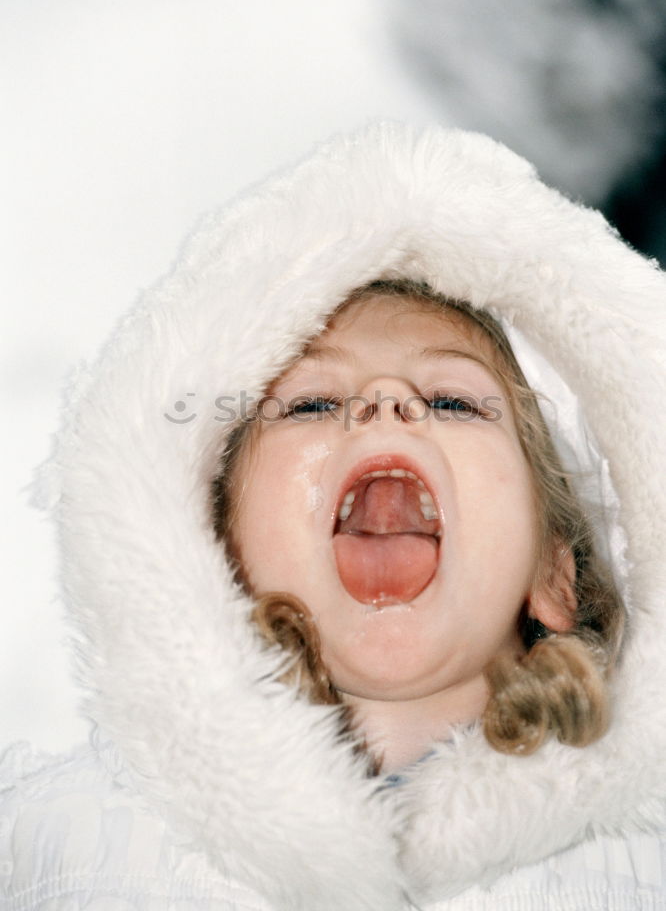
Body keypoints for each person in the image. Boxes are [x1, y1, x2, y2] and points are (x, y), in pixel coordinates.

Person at [1, 122, 665, 911]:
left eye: (452, 400)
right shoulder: (52, 850)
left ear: (554, 570)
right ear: (208, 551)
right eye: (313, 402)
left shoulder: (640, 860)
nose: (387, 405)